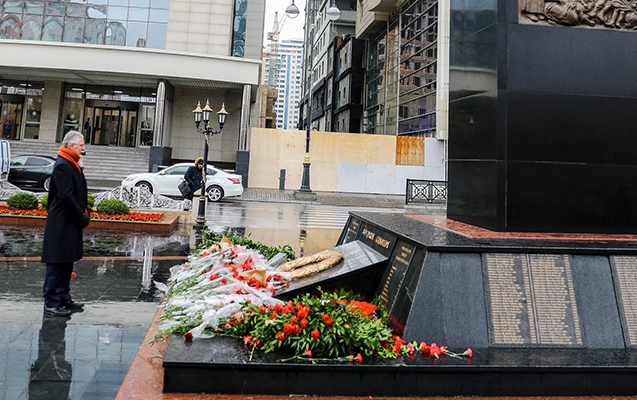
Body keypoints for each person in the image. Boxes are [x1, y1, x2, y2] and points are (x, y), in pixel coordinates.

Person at [41, 131, 90, 317]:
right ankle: (51, 302)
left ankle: (63, 297)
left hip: (68, 222)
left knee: (67, 261)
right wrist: (81, 217)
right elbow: (66, 197)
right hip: (61, 222)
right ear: (71, 146)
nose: (83, 149)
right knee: (57, 263)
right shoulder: (63, 165)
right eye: (81, 145)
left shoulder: (72, 163)